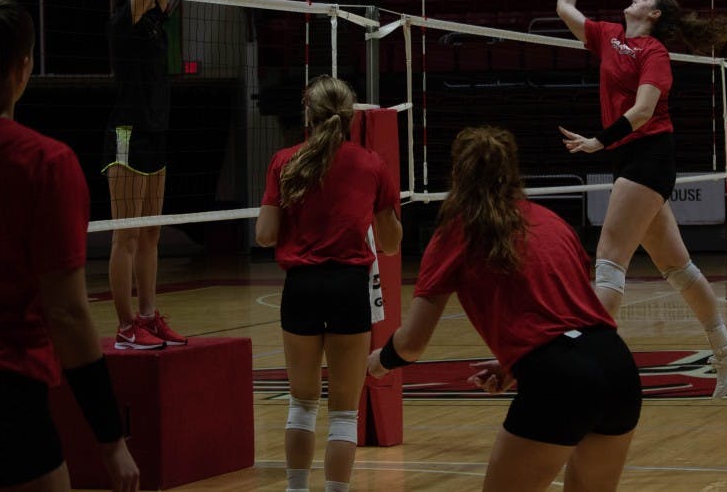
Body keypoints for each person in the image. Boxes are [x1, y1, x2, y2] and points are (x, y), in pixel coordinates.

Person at [0, 0, 140, 491]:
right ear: (25, 67)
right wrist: (111, 441)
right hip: (6, 402)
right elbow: (66, 314)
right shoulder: (45, 164)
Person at [369, 127, 641, 492]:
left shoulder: (458, 232)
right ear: (513, 172)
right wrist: (516, 361)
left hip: (560, 377)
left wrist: (378, 363)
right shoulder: (552, 222)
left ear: (456, 175)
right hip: (616, 365)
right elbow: (567, 317)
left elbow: (412, 343)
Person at [555, 0, 727, 398]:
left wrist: (598, 142)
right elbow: (563, 6)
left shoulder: (654, 52)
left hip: (647, 155)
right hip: (631, 156)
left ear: (655, 14)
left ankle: (587, 366)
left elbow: (643, 112)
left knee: (609, 260)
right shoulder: (606, 35)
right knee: (676, 268)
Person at [255, 75, 402, 492]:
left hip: (300, 288)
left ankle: (296, 490)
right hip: (348, 288)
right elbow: (391, 245)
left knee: (301, 404)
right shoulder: (372, 164)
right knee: (342, 412)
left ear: (309, 115)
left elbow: (264, 235)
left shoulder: (284, 161)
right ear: (350, 116)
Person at [101, 0, 195, 350]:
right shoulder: (127, 18)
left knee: (152, 234)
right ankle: (124, 328)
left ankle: (148, 315)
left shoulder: (154, 16)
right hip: (126, 132)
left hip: (156, 131)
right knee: (127, 236)